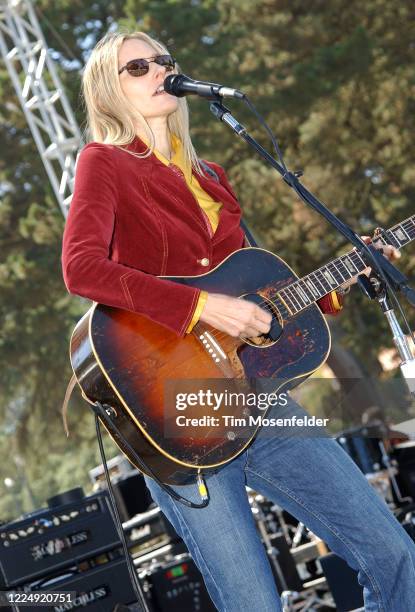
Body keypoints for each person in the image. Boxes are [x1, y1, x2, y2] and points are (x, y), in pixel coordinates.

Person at [61, 29, 415, 611]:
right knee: (254, 603)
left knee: (394, 554)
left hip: (257, 399)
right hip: (174, 414)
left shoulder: (213, 178)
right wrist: (200, 307)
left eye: (164, 61)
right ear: (108, 93)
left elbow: (260, 296)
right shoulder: (105, 164)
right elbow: (81, 268)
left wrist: (345, 280)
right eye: (138, 67)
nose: (159, 71)